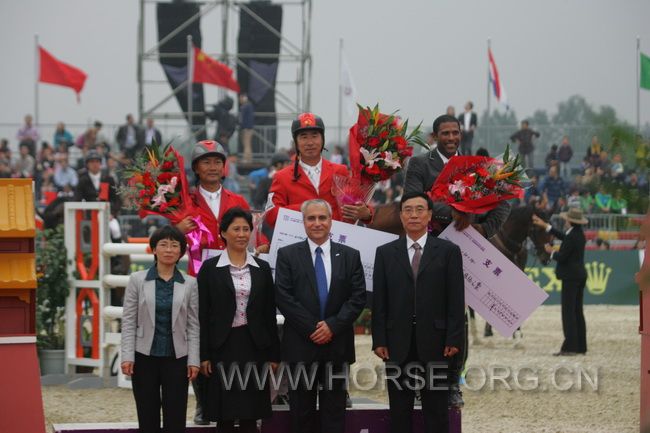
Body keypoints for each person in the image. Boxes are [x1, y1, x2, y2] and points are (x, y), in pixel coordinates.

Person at [403, 114, 510, 408]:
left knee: (457, 319)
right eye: (445, 133)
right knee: (418, 315)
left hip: (464, 251)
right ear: (435, 136)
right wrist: (452, 211)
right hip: (425, 248)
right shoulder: (420, 164)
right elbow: (412, 200)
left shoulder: (479, 167)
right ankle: (414, 382)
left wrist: (485, 229)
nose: (451, 138)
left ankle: (452, 383)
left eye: (455, 133)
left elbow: (504, 201)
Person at [175, 140, 268, 425]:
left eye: (217, 161)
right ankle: (203, 400)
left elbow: (255, 235)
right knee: (199, 335)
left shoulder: (238, 201)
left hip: (233, 277)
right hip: (199, 279)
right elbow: (165, 246)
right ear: (196, 168)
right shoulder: (183, 203)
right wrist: (176, 230)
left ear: (224, 166)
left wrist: (261, 246)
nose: (212, 167)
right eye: (206, 162)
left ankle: (239, 400)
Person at [372, 191, 465, 433]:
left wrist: (454, 338)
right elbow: (380, 301)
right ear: (401, 216)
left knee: (436, 410)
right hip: (396, 342)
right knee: (399, 410)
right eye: (408, 210)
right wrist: (379, 339)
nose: (414, 215)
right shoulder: (385, 253)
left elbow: (456, 299)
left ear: (430, 215)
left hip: (436, 342)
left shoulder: (448, 251)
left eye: (419, 210)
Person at [274, 199, 366, 433]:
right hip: (301, 346)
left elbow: (357, 298)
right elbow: (284, 297)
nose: (317, 223)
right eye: (311, 218)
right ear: (303, 222)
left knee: (334, 413)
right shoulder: (287, 255)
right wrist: (314, 328)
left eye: (322, 218)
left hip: (337, 345)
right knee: (300, 413)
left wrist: (332, 327)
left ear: (331, 221)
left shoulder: (350, 255)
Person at [198, 207, 280, 433]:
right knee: (224, 413)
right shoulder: (209, 269)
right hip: (221, 346)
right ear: (223, 233)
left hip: (255, 346)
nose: (242, 234)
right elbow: (202, 315)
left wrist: (274, 354)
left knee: (250, 414)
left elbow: (268, 314)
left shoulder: (262, 268)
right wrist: (203, 354)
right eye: (236, 229)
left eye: (246, 229)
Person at [120, 225, 200, 433]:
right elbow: (128, 320)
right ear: (154, 249)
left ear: (181, 252)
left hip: (177, 357)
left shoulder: (190, 283)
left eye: (175, 245)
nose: (169, 249)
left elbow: (193, 324)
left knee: (176, 416)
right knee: (147, 415)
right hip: (144, 355)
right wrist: (127, 356)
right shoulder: (137, 280)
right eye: (163, 244)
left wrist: (193, 360)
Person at [265, 113, 372, 227]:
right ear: (295, 142)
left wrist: (367, 213)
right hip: (298, 241)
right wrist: (306, 207)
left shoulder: (340, 171)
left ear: (322, 139)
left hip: (335, 241)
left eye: (315, 136)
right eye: (304, 137)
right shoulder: (281, 177)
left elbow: (356, 202)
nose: (310, 142)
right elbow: (271, 216)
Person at [533, 207, 588, 355]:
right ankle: (580, 346)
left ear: (570, 221)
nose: (564, 221)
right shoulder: (578, 234)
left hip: (571, 278)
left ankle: (570, 347)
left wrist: (551, 252)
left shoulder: (572, 236)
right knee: (577, 312)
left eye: (566, 220)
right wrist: (546, 226)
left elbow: (562, 257)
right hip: (579, 276)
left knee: (568, 313)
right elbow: (564, 237)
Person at [239, 93, 255, 163]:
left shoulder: (245, 106)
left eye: (240, 98)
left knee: (246, 144)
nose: (240, 100)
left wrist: (242, 126)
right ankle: (249, 158)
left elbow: (242, 119)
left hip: (246, 128)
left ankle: (246, 159)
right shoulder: (250, 106)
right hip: (249, 128)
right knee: (248, 144)